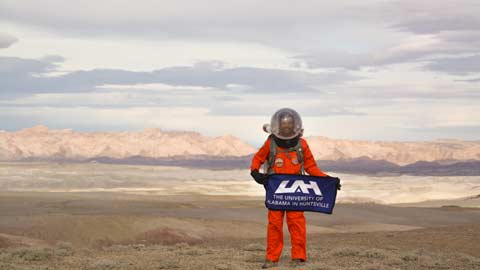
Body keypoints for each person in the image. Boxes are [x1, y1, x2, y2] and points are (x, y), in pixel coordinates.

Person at [250, 108, 333, 269]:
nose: (286, 128)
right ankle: (272, 258)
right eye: (283, 125)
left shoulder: (302, 145)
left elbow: (311, 167)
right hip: (276, 192)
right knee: (274, 224)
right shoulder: (271, 143)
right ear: (278, 126)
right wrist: (255, 172)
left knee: (297, 224)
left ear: (295, 126)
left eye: (289, 125)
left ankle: (299, 257)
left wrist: (328, 180)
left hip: (295, 192)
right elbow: (258, 158)